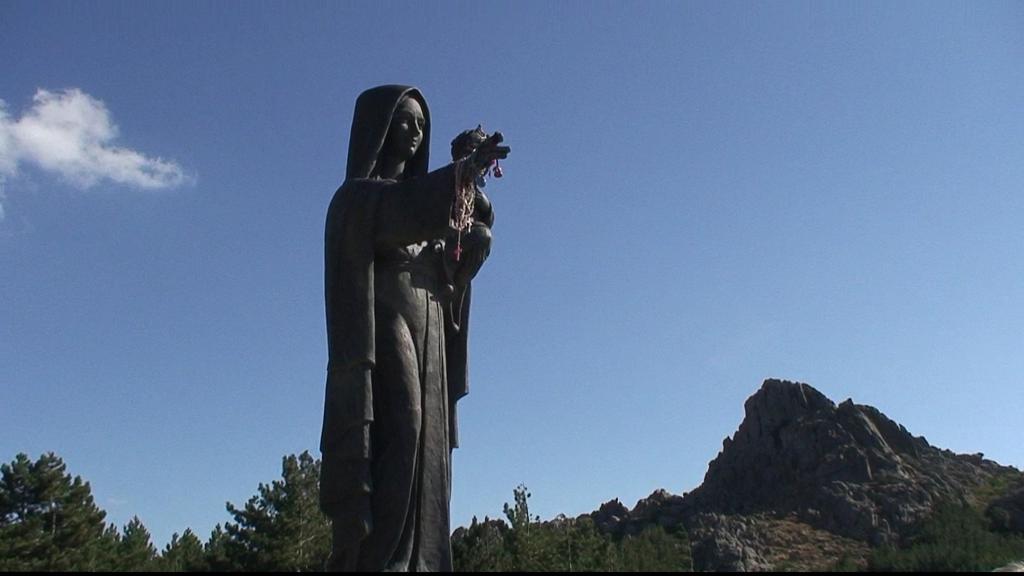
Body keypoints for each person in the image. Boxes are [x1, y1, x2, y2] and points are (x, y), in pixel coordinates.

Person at [319, 85, 508, 572]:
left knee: (431, 444)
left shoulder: (424, 202)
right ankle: (381, 560)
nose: (415, 131)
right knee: (404, 425)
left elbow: (449, 268)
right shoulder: (357, 199)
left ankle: (423, 560)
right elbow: (405, 210)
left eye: (420, 123)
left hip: (429, 323)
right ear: (377, 129)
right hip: (386, 318)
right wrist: (462, 175)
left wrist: (471, 250)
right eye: (404, 120)